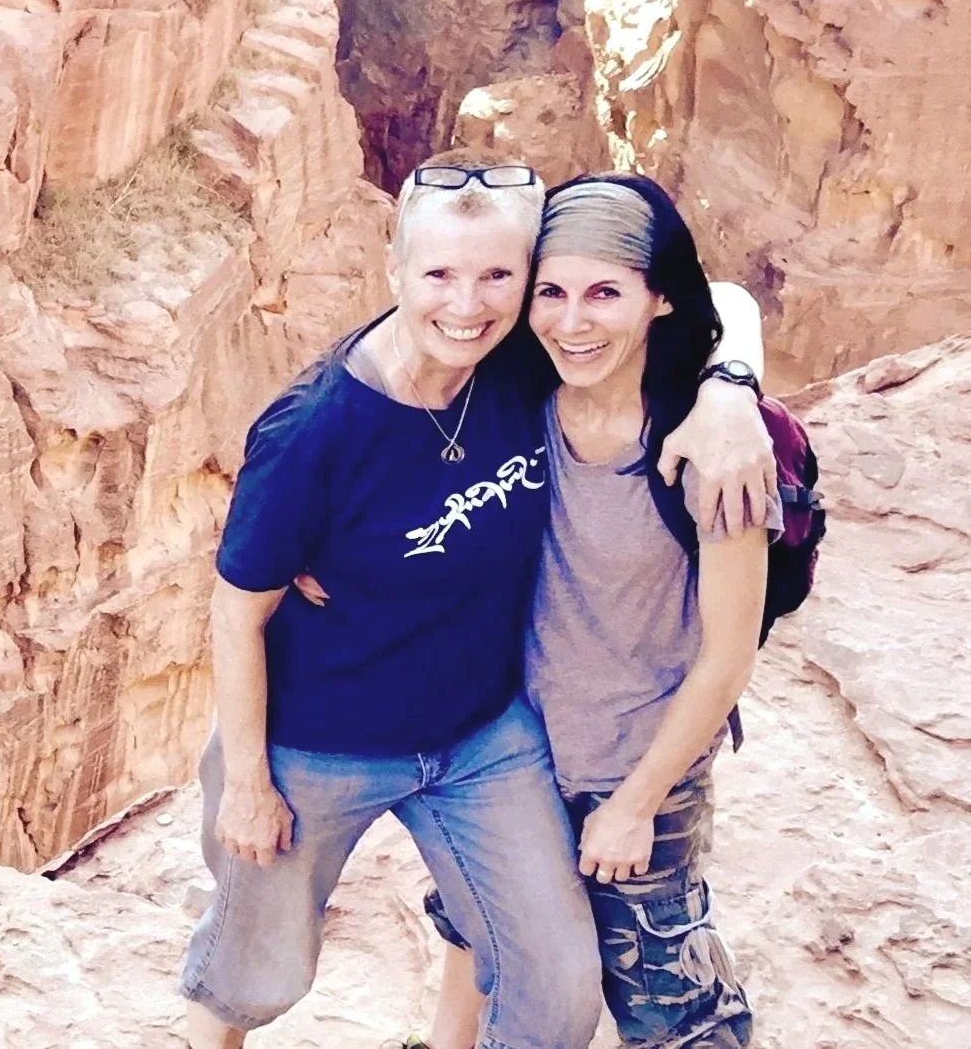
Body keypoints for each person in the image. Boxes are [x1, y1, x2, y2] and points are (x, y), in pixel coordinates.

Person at [180, 151, 773, 1049]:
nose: (468, 304)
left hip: (480, 742)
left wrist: (731, 391)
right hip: (319, 743)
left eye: (499, 276)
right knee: (252, 974)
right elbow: (236, 612)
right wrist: (250, 785)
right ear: (393, 271)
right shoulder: (313, 430)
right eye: (440, 276)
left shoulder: (522, 361)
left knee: (557, 987)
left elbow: (708, 294)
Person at [419, 174, 778, 1049]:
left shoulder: (709, 450)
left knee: (670, 1005)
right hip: (511, 755)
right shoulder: (514, 404)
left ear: (659, 298)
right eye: (551, 292)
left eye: (604, 294)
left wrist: (635, 804)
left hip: (634, 768)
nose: (571, 322)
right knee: (480, 932)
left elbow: (727, 658)